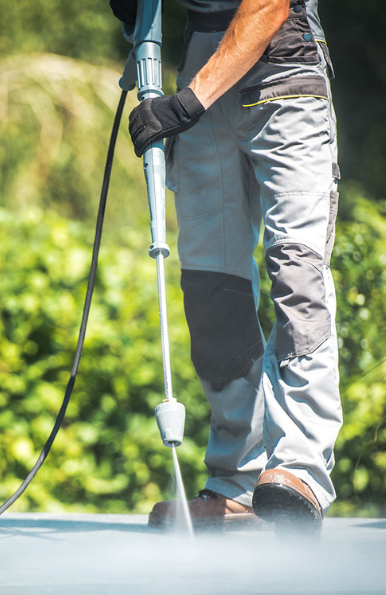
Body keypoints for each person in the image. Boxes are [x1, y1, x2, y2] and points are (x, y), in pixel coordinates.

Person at [110, 0, 342, 531]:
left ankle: (300, 467)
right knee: (212, 287)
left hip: (285, 69)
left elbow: (268, 7)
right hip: (200, 62)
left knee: (296, 272)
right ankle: (237, 481)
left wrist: (188, 103)